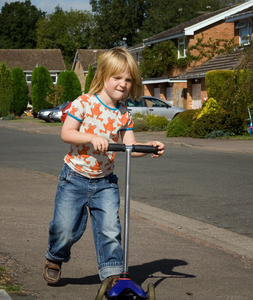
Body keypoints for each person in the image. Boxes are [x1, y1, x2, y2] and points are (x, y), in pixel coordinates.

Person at [43, 47, 165, 287]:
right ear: (103, 76)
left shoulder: (124, 114)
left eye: (128, 79)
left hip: (105, 182)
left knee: (110, 229)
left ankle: (112, 275)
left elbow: (130, 148)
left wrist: (149, 146)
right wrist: (90, 137)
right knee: (65, 229)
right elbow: (66, 133)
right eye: (117, 78)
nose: (123, 84)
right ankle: (55, 257)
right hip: (74, 178)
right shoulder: (84, 103)